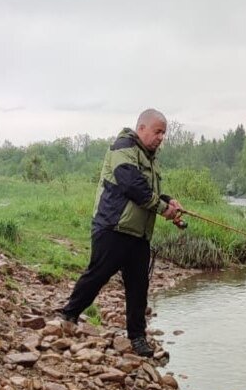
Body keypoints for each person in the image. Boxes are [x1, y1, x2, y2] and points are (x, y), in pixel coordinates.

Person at [58, 109, 184, 357]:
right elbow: (132, 185)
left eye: (164, 133)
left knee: (139, 287)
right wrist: (162, 208)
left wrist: (170, 202)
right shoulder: (122, 147)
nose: (161, 138)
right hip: (112, 228)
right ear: (142, 128)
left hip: (138, 234)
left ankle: (137, 338)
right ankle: (68, 313)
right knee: (98, 274)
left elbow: (149, 190)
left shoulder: (151, 158)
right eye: (158, 132)